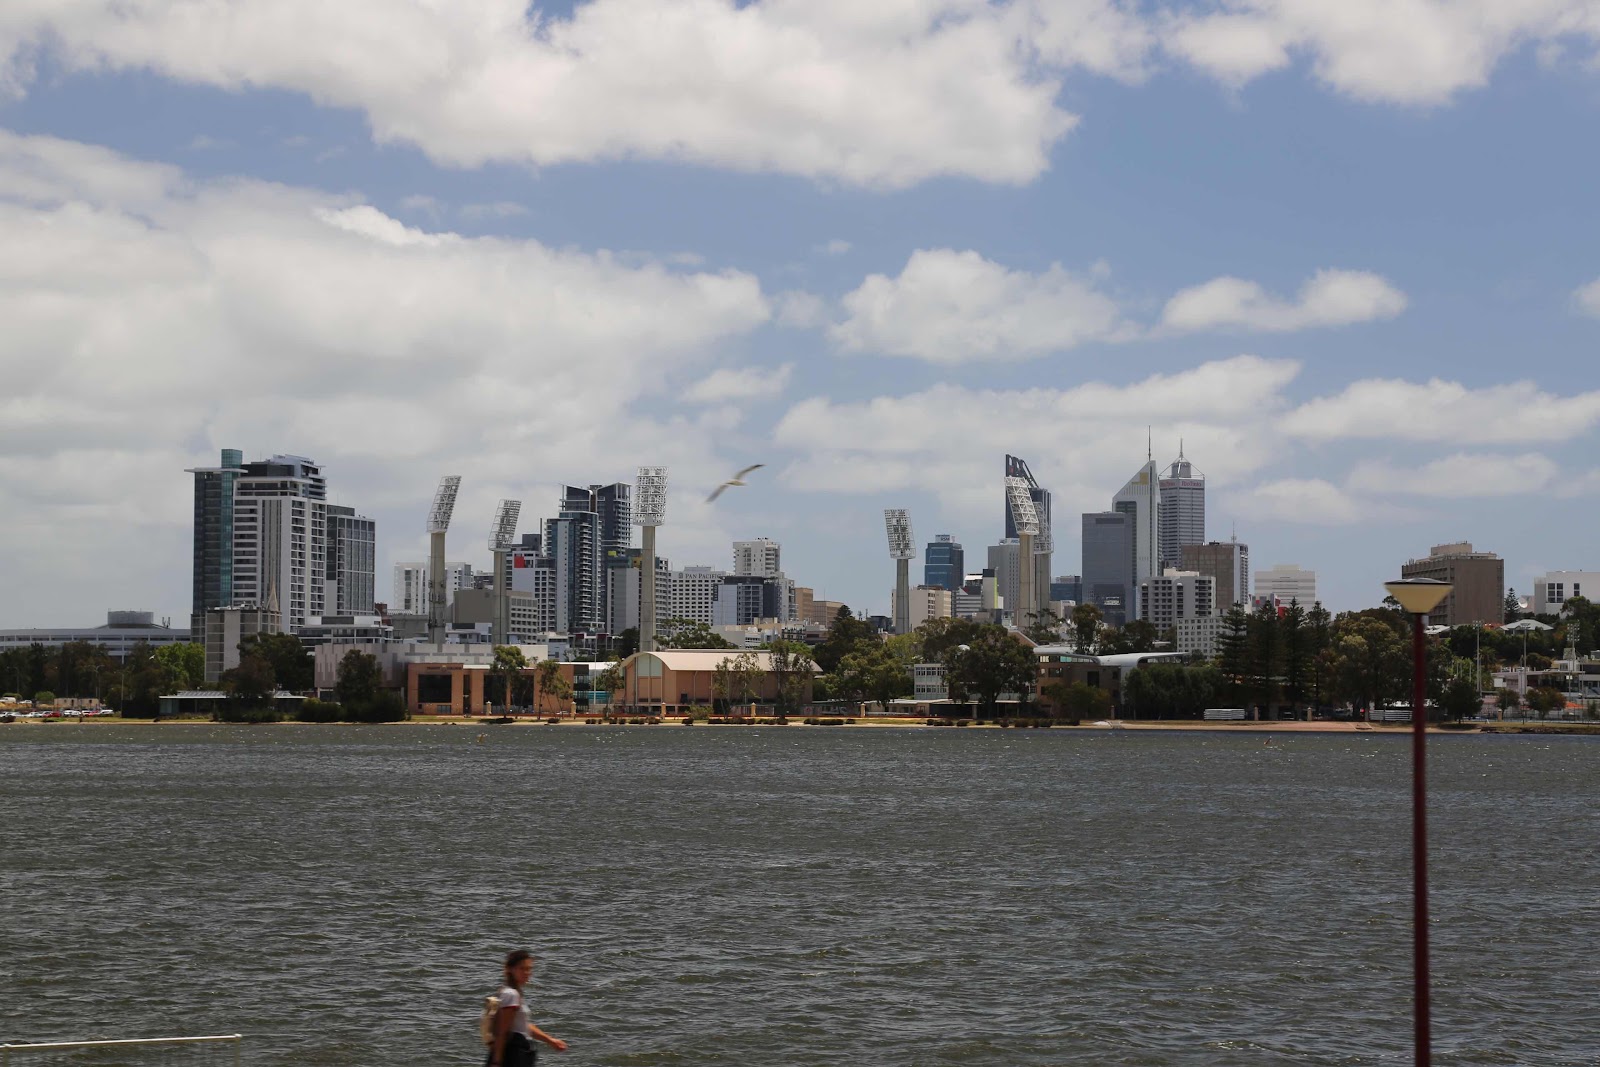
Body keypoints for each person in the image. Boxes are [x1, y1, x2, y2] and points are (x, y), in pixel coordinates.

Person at [488, 949, 567, 1067]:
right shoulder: (511, 995)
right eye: (522, 969)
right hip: (512, 1055)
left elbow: (523, 1026)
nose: (527, 972)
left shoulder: (510, 992)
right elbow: (502, 1031)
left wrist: (550, 1040)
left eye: (529, 969)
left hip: (516, 1053)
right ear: (510, 969)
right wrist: (496, 1061)